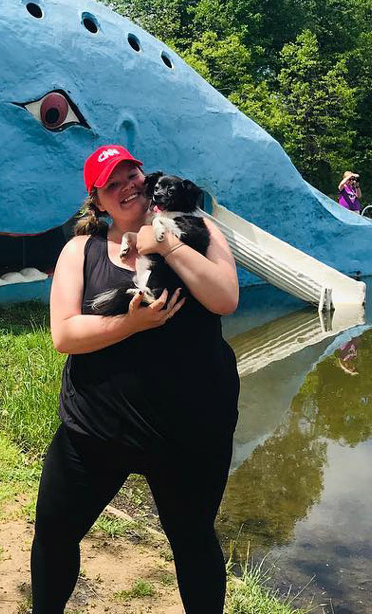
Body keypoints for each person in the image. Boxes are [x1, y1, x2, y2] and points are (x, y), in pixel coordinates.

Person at [32, 144, 240, 614]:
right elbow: (64, 334)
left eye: (132, 173)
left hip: (190, 432)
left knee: (193, 543)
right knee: (54, 533)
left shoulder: (199, 228)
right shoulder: (80, 250)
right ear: (97, 202)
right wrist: (130, 324)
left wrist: (166, 244)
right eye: (113, 182)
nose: (128, 184)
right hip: (96, 429)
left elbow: (225, 298)